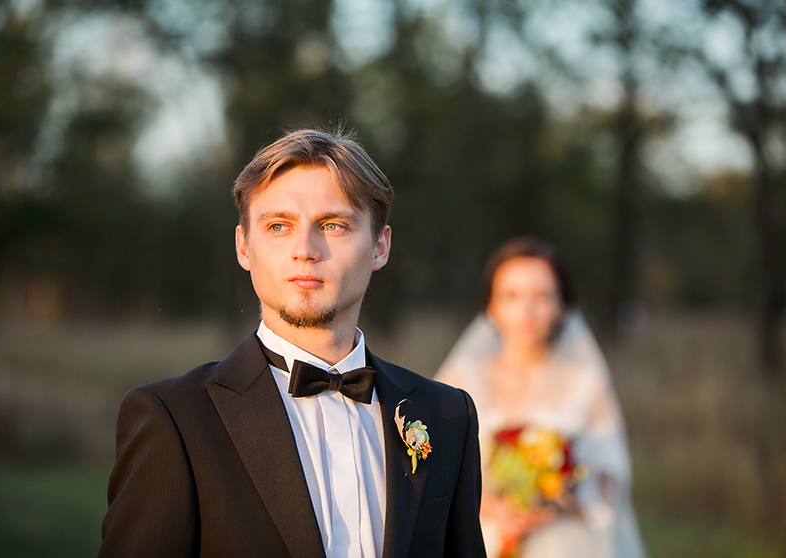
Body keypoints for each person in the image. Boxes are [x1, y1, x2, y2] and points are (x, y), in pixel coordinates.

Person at [99, 128, 486, 558]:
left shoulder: (449, 415)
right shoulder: (174, 419)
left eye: (333, 225)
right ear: (244, 247)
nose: (305, 249)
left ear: (380, 246)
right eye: (278, 226)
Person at [436, 237, 646, 558]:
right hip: (479, 535)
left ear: (563, 305)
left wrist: (563, 497)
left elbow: (611, 475)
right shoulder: (461, 377)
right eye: (512, 296)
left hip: (564, 541)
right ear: (491, 305)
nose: (527, 309)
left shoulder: (586, 381)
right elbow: (431, 464)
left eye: (542, 296)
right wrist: (487, 505)